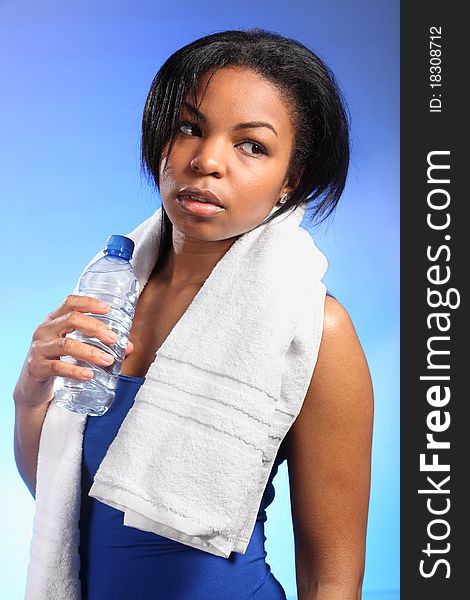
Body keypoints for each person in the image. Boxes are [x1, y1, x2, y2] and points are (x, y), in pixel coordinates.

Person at [14, 28, 374, 600]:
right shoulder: (111, 295)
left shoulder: (313, 331)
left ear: (292, 179)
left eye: (251, 145)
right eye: (190, 128)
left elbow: (332, 579)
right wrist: (31, 393)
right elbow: (61, 495)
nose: (206, 161)